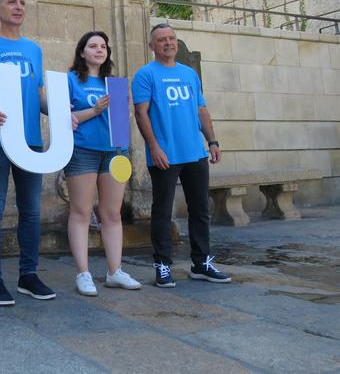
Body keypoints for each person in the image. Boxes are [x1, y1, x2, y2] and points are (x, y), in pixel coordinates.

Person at [0, 0, 55, 306]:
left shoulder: (34, 49)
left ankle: (28, 275)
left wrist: (64, 114)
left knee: (31, 211)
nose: (18, 7)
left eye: (22, 2)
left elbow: (40, 94)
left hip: (30, 141)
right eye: (11, 2)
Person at [132, 23, 232, 287]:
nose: (168, 43)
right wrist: (153, 147)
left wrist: (212, 140)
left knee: (200, 210)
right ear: (152, 46)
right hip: (165, 154)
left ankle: (201, 264)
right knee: (163, 211)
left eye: (172, 38)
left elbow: (201, 110)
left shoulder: (189, 74)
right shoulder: (145, 74)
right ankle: (163, 266)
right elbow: (141, 113)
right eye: (162, 39)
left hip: (195, 153)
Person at [65, 31, 141, 296]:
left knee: (111, 213)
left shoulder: (115, 84)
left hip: (113, 152)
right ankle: (83, 274)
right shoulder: (71, 80)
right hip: (82, 150)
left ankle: (114, 271)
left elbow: (120, 122)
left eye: (103, 46)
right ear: (82, 51)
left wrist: (122, 110)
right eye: (93, 45)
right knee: (82, 212)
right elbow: (64, 118)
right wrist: (95, 110)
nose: (99, 49)